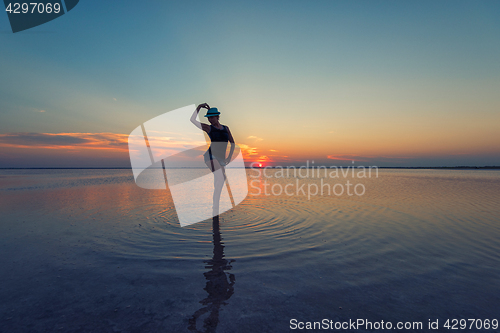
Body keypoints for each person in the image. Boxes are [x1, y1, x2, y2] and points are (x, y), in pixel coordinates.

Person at [190, 103, 235, 216]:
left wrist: (229, 157)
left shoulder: (226, 128)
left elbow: (233, 143)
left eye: (212, 117)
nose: (210, 119)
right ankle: (215, 206)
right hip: (210, 156)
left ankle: (215, 204)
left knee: (220, 180)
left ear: (217, 117)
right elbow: (192, 120)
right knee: (220, 177)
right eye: (208, 117)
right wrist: (199, 107)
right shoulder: (208, 128)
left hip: (221, 158)